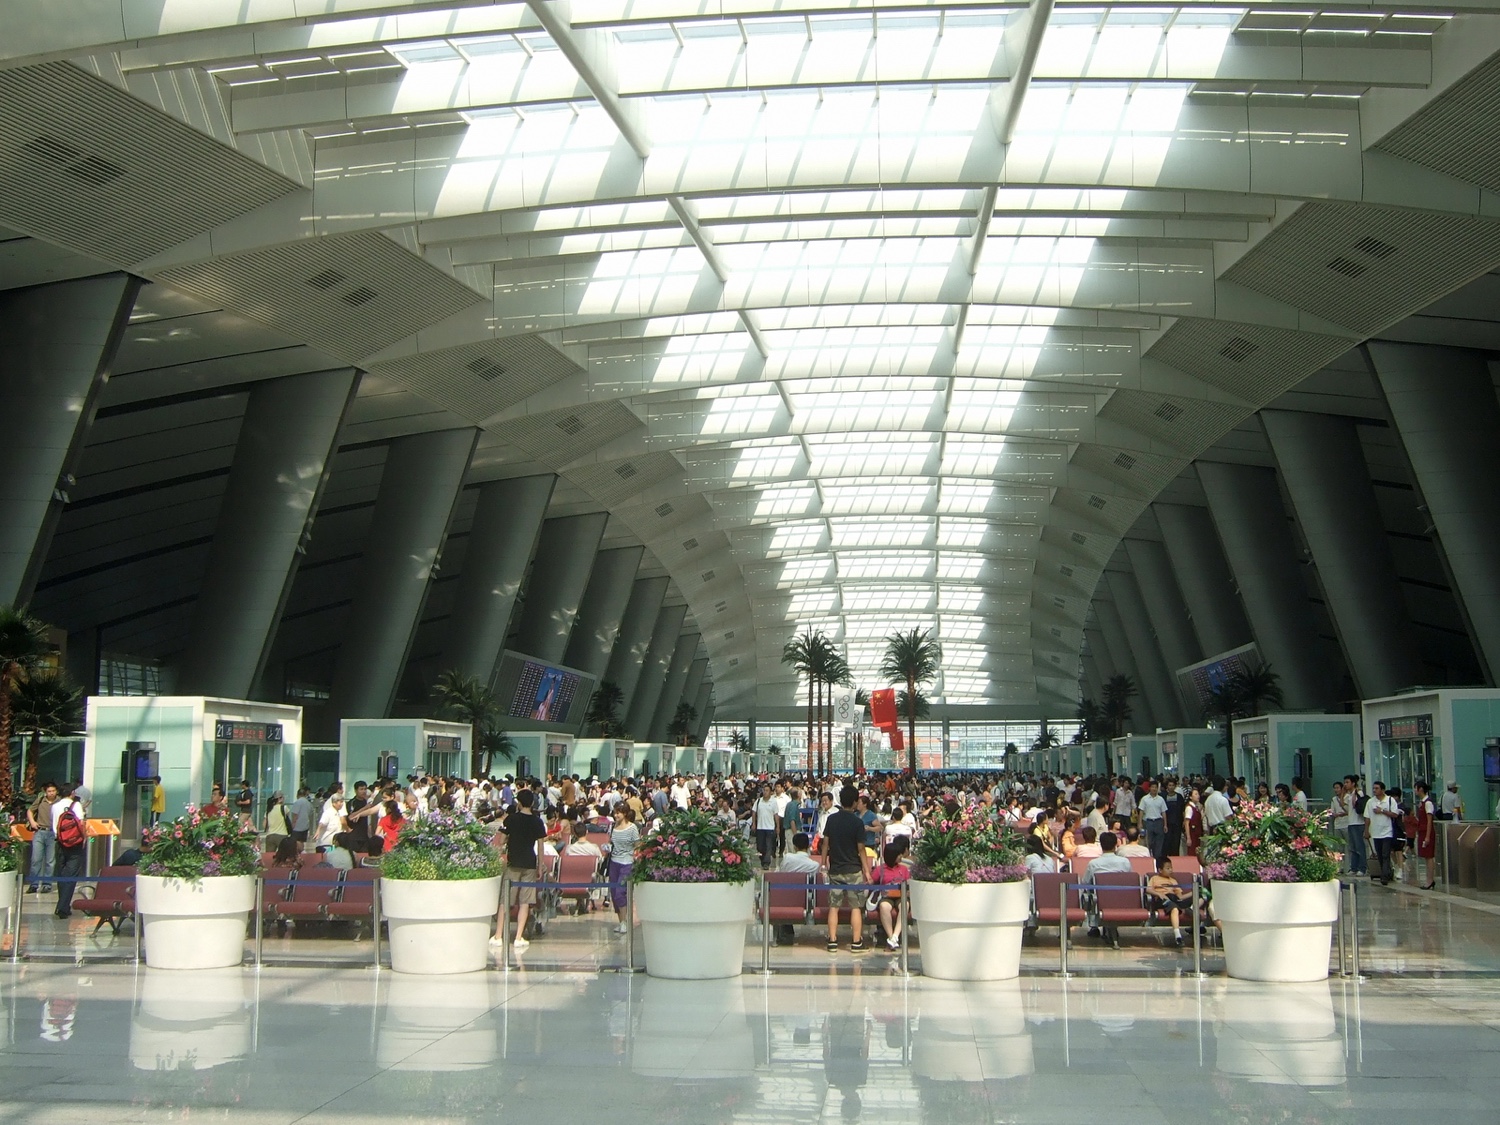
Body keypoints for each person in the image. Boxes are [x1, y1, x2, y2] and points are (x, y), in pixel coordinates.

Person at [820, 786, 872, 953]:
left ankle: (832, 940)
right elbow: (861, 848)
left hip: (835, 868)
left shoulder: (831, 819)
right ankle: (856, 942)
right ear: (855, 802)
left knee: (834, 906)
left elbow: (825, 844)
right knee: (855, 906)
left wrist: (823, 863)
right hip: (853, 869)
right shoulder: (857, 822)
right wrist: (867, 871)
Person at [494, 789, 546, 950]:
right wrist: (540, 866)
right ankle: (518, 937)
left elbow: (502, 839)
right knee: (525, 902)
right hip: (529, 863)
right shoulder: (537, 821)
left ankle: (498, 935)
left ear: (519, 803)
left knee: (506, 900)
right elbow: (541, 846)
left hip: (513, 861)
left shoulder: (511, 819)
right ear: (532, 803)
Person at [776, 832, 823, 945]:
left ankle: (784, 933)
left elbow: (781, 874)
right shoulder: (814, 865)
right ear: (808, 846)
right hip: (804, 901)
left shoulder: (787, 858)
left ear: (794, 846)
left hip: (786, 898)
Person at [51, 785, 88, 920]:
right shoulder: (76, 805)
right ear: (72, 793)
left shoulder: (55, 806)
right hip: (74, 843)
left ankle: (63, 905)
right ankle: (62, 907)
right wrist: (84, 838)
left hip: (60, 842)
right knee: (71, 875)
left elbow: (54, 825)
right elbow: (81, 823)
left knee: (61, 874)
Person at [870, 841, 911, 952]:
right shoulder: (880, 869)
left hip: (901, 895)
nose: (901, 857)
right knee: (884, 906)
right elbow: (871, 882)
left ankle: (894, 937)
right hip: (886, 896)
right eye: (898, 855)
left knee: (904, 905)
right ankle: (890, 935)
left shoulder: (903, 869)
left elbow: (908, 884)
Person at [606, 805, 640, 935]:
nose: (616, 815)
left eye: (618, 813)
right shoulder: (613, 827)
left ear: (625, 813)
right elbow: (611, 842)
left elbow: (637, 845)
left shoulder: (632, 828)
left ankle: (626, 922)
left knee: (620, 893)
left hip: (627, 863)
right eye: (615, 813)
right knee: (614, 893)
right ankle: (621, 922)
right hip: (614, 862)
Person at [1145, 857, 1193, 947]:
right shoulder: (1154, 878)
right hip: (1162, 899)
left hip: (1174, 899)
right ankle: (1178, 936)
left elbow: (1180, 897)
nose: (1171, 870)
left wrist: (1193, 893)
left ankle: (1192, 911)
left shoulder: (1173, 881)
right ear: (1160, 870)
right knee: (1174, 908)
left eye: (1171, 868)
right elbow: (1148, 889)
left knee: (1197, 898)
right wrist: (1158, 894)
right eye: (1168, 868)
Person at [26, 782, 58, 894]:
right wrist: (32, 822)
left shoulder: (59, 802)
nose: (51, 793)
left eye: (53, 791)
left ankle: (47, 884)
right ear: (45, 792)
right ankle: (34, 884)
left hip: (52, 832)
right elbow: (30, 810)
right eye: (49, 791)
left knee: (50, 861)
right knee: (36, 859)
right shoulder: (40, 800)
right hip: (40, 831)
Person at [1365, 780, 1398, 886]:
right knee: (1379, 854)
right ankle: (1387, 871)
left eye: (1377, 788)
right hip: (1375, 832)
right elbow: (1367, 817)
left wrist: (1382, 811)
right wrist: (1366, 830)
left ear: (1382, 790)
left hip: (1387, 832)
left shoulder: (1390, 800)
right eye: (1374, 788)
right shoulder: (1370, 802)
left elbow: (1395, 814)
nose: (1374, 790)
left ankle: (1384, 876)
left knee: (1385, 854)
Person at [1412, 781, 1437, 889]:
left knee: (1429, 856)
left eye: (1416, 788)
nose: (1415, 790)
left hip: (1427, 832)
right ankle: (1429, 879)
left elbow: (1429, 821)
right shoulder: (1422, 803)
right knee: (1426, 856)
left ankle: (1430, 880)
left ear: (1420, 789)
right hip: (1422, 831)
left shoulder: (1428, 803)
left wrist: (1427, 836)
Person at [1343, 775, 1368, 877]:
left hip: (1358, 823)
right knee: (1352, 847)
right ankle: (1353, 867)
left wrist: (1355, 795)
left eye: (1347, 782)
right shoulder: (1348, 794)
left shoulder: (1359, 793)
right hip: (1351, 823)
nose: (1345, 784)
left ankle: (1362, 868)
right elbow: (1343, 804)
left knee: (1359, 846)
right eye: (1345, 782)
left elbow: (1356, 806)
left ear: (1353, 783)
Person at [1138, 780, 1167, 860]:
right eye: (1152, 787)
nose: (1154, 789)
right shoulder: (1144, 799)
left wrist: (1165, 825)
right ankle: (1148, 859)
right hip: (1148, 822)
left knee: (1159, 843)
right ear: (1149, 788)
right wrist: (1140, 823)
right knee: (1148, 842)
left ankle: (1157, 859)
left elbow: (1163, 812)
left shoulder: (1161, 799)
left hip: (1158, 822)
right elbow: (1141, 811)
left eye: (1156, 787)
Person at [753, 785, 779, 867]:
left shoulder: (773, 802)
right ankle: (763, 858)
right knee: (760, 846)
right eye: (764, 790)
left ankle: (766, 863)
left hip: (770, 828)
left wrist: (777, 826)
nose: (765, 792)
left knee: (768, 846)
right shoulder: (758, 801)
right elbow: (754, 812)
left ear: (770, 792)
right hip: (760, 827)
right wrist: (754, 823)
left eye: (767, 790)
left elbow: (776, 815)